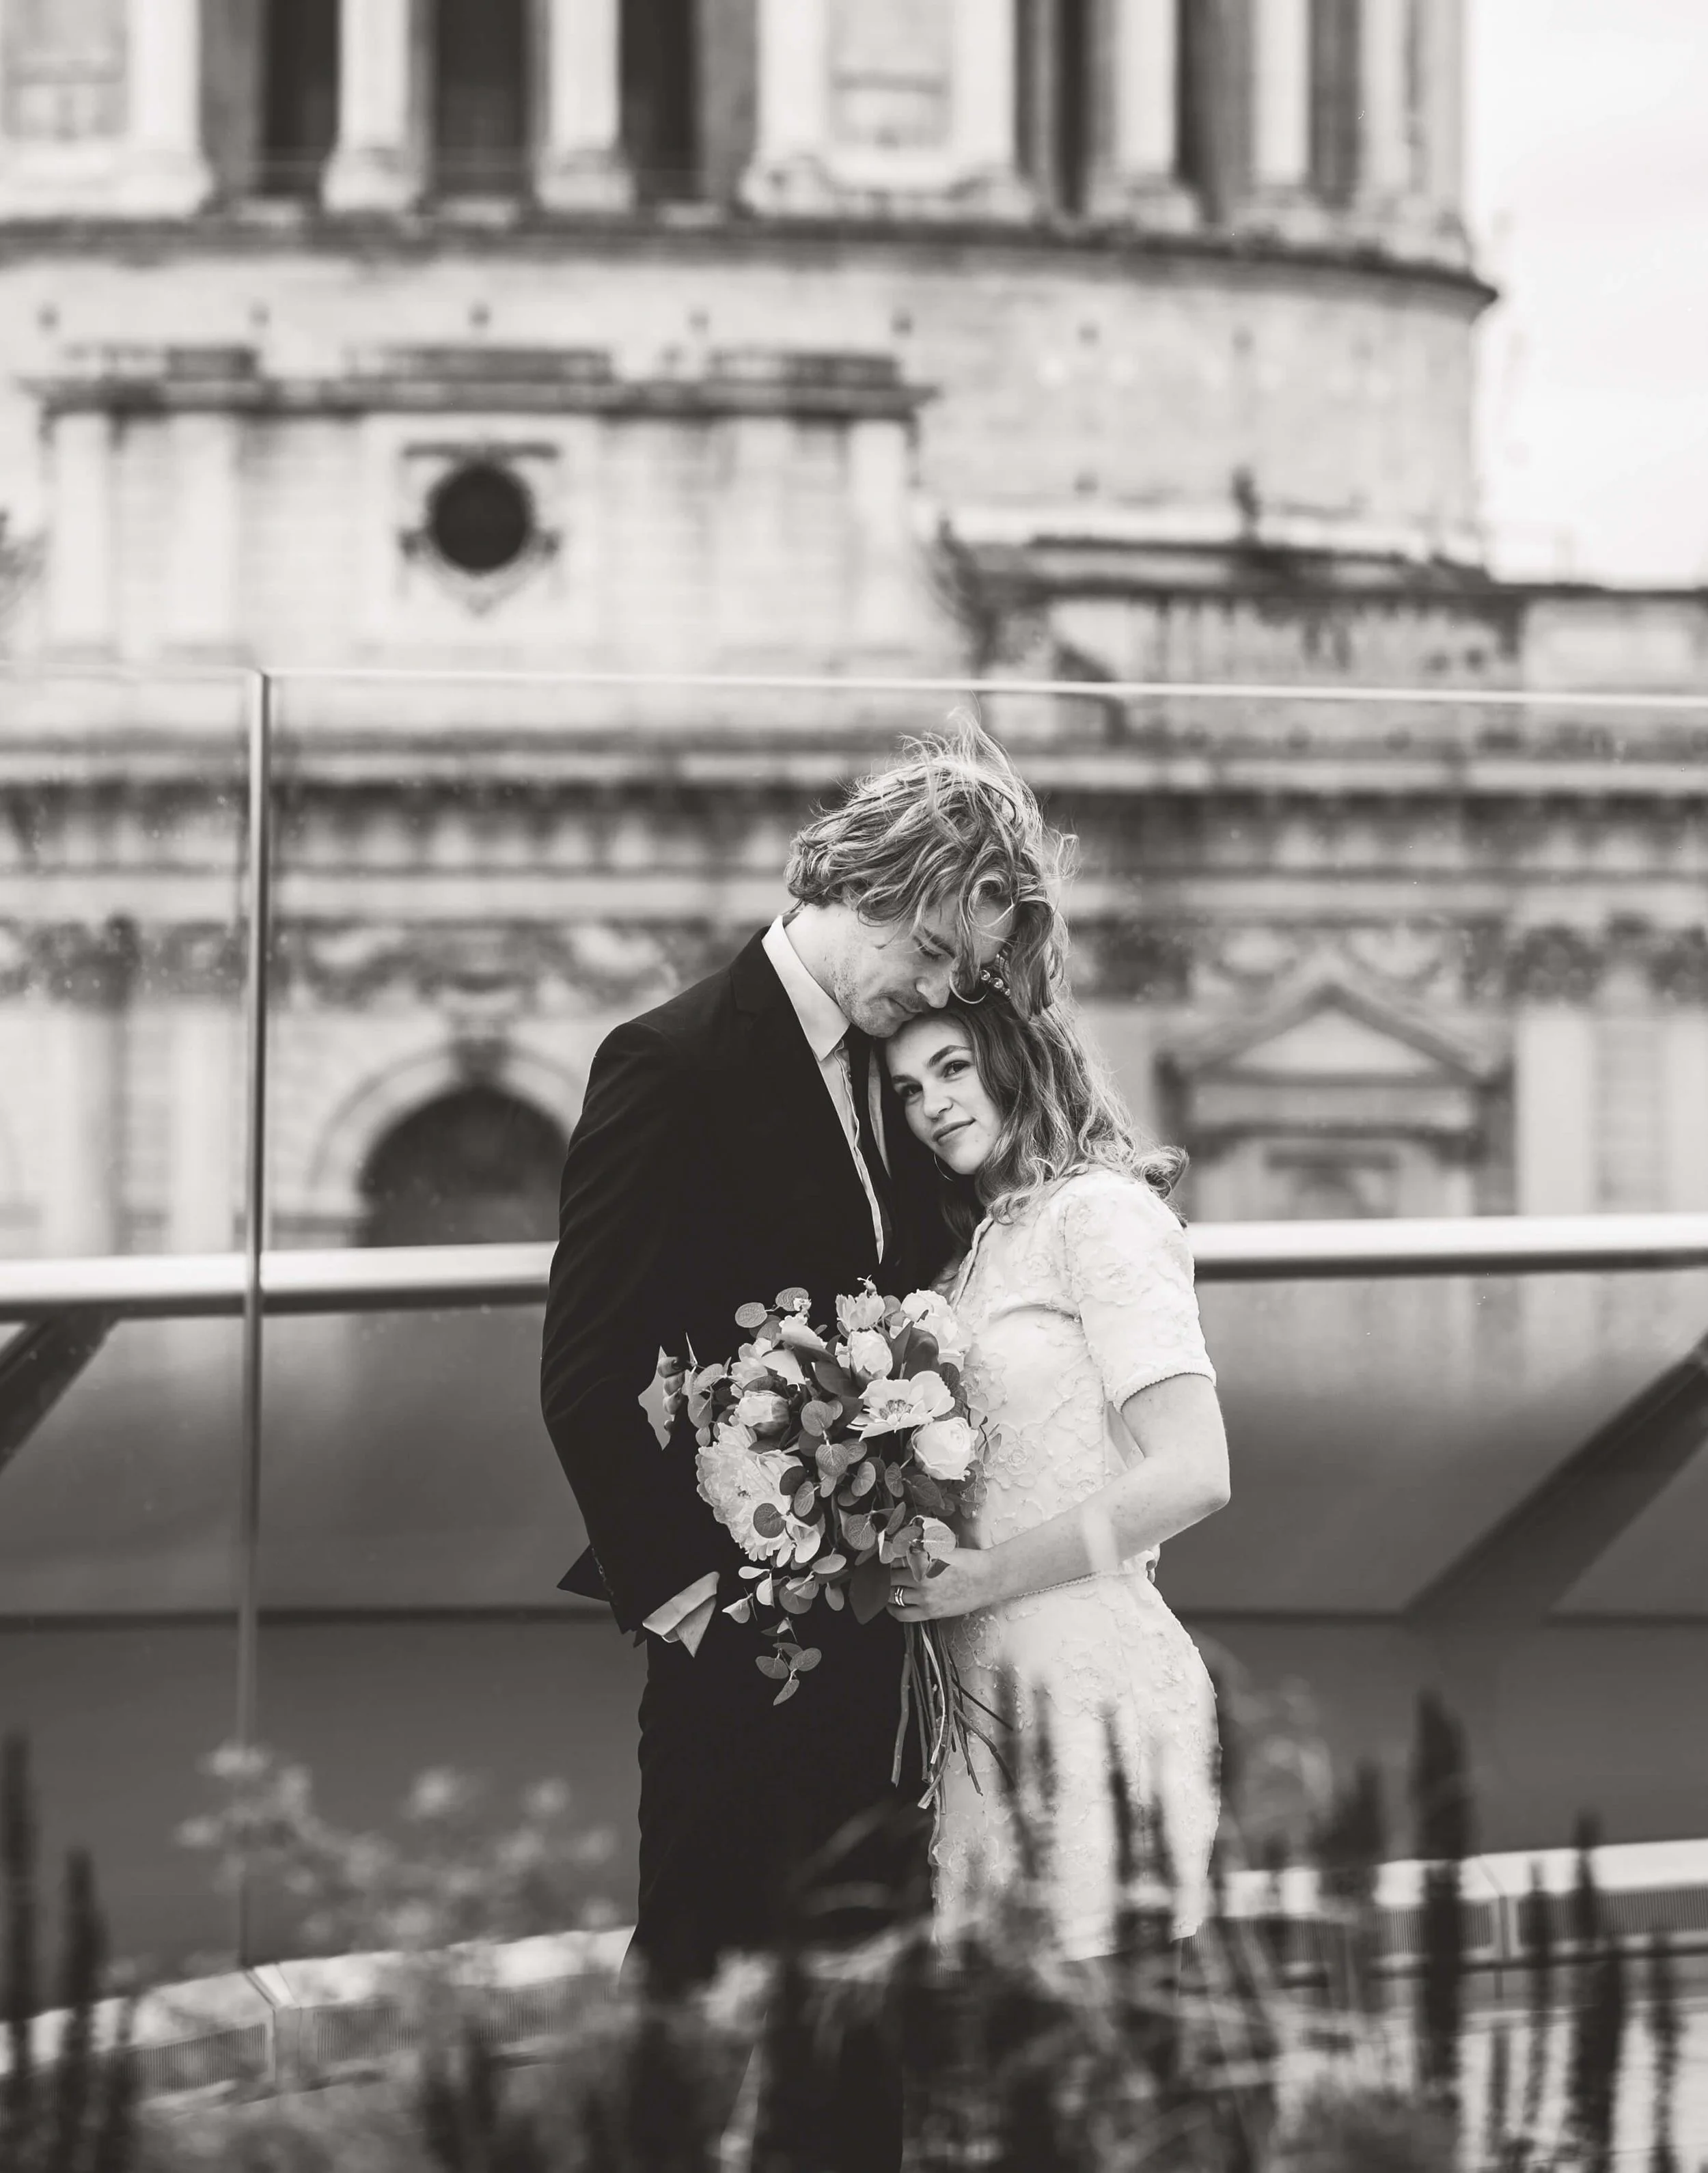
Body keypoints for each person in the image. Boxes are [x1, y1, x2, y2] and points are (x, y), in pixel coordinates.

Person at [539, 722, 1070, 2071]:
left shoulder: (912, 1073)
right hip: (729, 1643)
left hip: (891, 1647)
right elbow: (588, 1368)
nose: (953, 989)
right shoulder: (667, 1062)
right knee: (695, 1995)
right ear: (874, 886)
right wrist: (686, 1607)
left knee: (859, 2010)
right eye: (943, 951)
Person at [881, 993, 1230, 1956]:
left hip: (1091, 1689)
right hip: (973, 1707)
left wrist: (986, 1576)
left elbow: (1196, 1473)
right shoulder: (972, 1253)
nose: (932, 1105)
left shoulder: (1102, 1214)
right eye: (908, 1089)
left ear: (1019, 1060)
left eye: (953, 1068)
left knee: (1104, 2042)